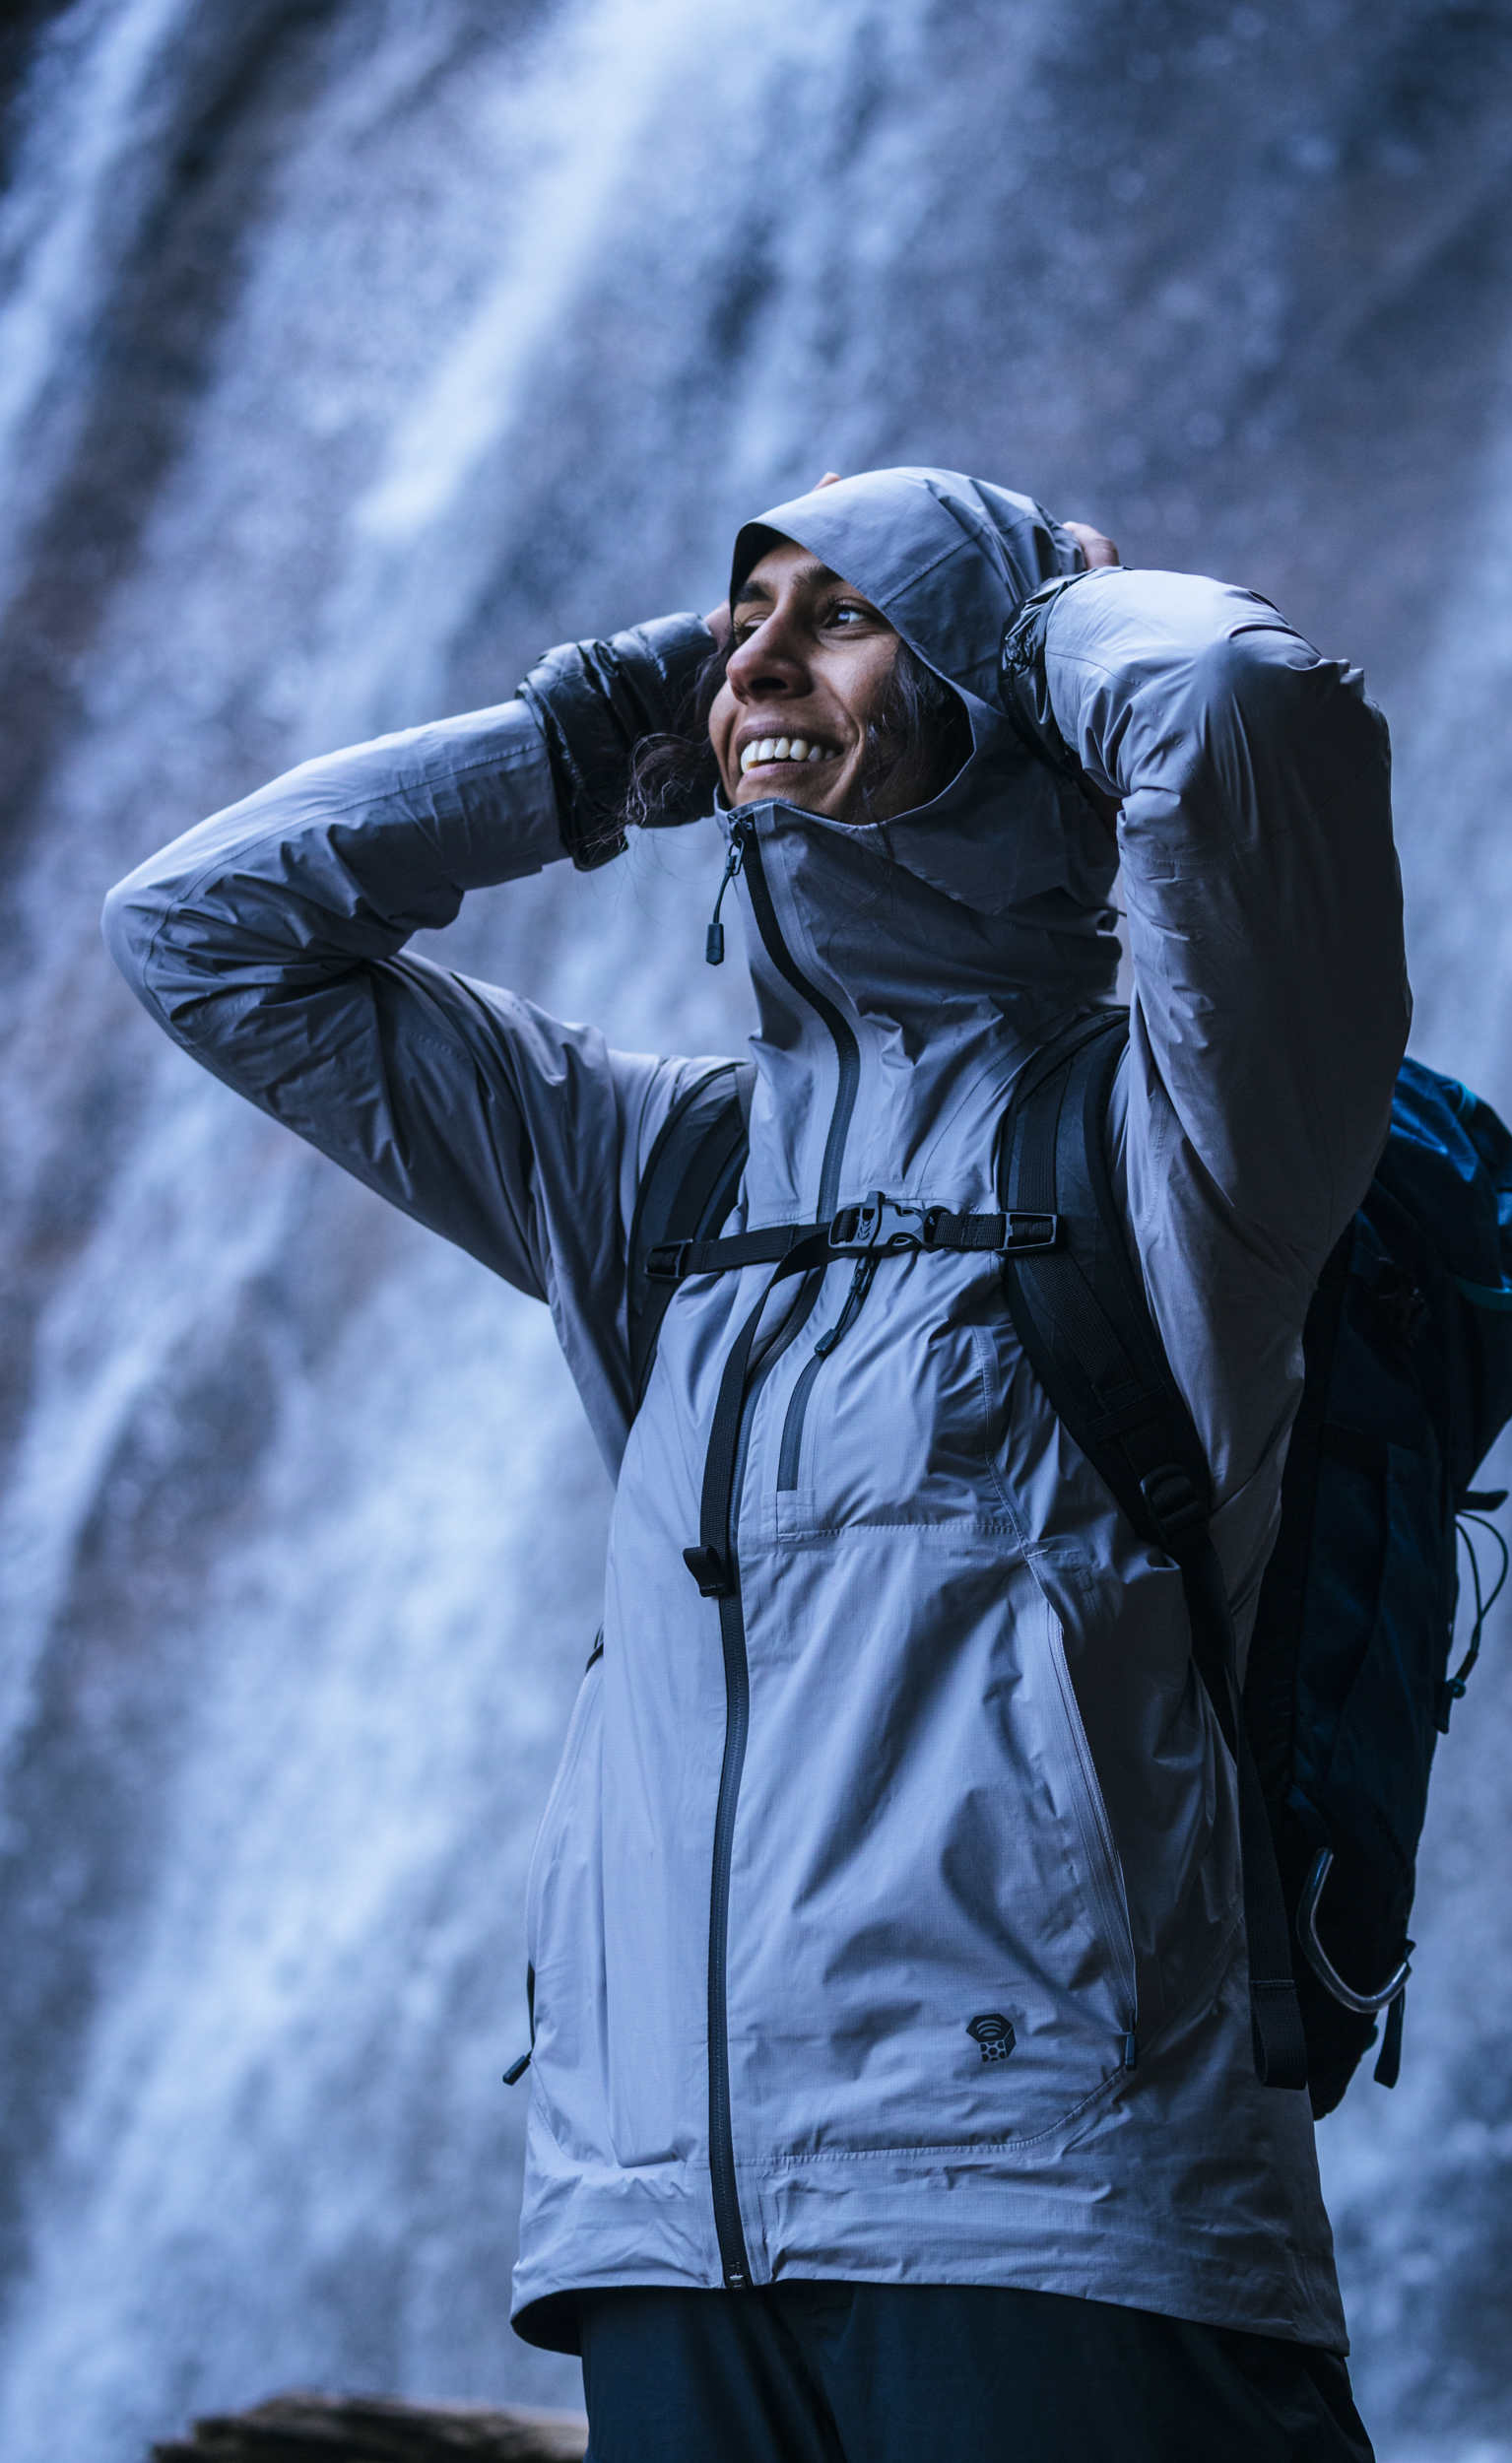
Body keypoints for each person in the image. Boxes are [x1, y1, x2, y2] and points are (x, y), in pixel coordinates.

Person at [104, 465, 1408, 2461]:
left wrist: (1040, 620)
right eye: (738, 625)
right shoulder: (663, 1168)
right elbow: (203, 932)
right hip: (661, 2228)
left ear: (1000, 682)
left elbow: (1243, 712)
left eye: (843, 610)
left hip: (1054, 2201)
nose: (760, 660)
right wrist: (588, 733)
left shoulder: (1184, 1136)